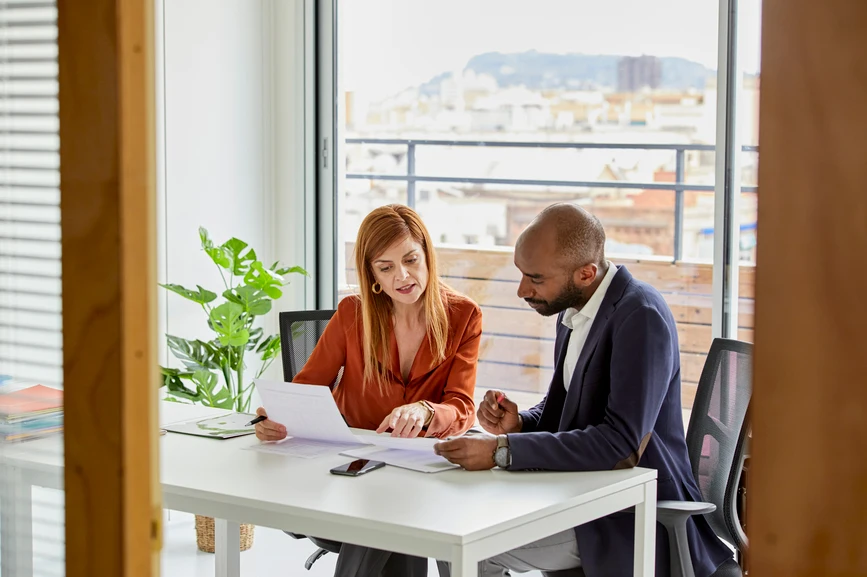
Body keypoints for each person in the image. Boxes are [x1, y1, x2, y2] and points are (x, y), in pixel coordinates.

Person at [434, 203, 734, 577]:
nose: (522, 289)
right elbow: (566, 410)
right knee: (454, 532)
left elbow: (620, 445)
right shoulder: (576, 308)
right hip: (581, 492)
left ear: (586, 273)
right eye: (522, 274)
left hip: (627, 513)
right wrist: (520, 424)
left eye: (536, 278)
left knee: (470, 547)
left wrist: (500, 452)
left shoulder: (641, 317)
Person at [254, 204, 482, 577]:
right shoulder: (352, 314)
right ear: (371, 273)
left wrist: (426, 410)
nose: (403, 276)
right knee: (387, 519)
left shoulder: (463, 315)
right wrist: (276, 418)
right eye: (386, 267)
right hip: (354, 465)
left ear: (427, 254)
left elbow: (461, 406)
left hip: (420, 468)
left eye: (410, 259)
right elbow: (306, 390)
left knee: (394, 519)